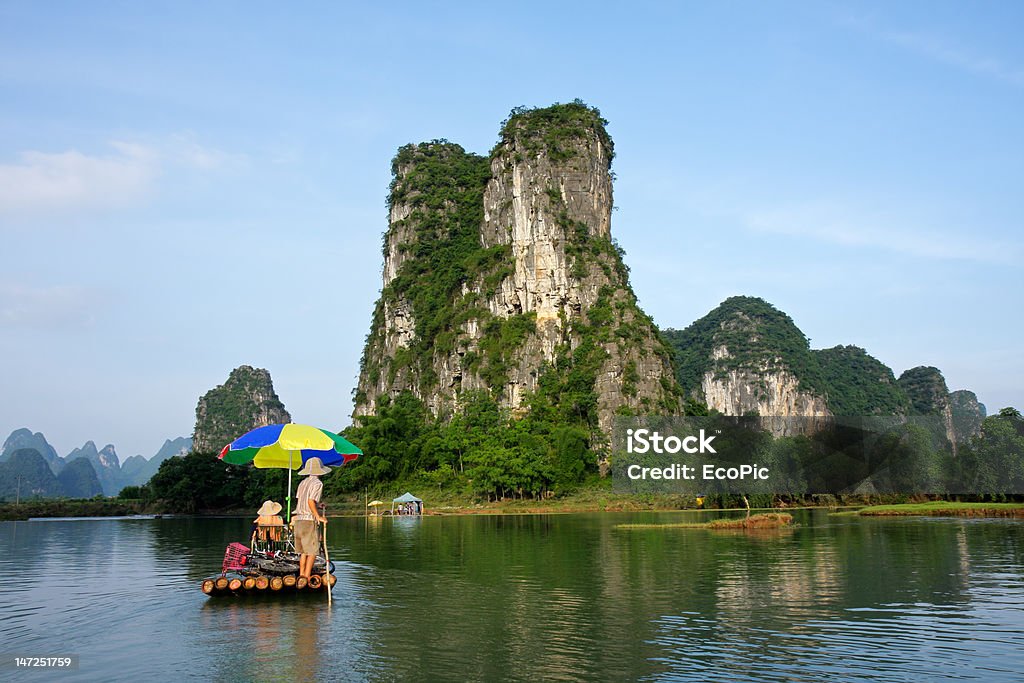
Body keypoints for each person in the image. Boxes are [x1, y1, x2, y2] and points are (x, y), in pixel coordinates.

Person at [293, 457, 330, 580]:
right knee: (312, 551)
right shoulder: (318, 483)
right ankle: (306, 577)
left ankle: (302, 574)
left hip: (298, 520)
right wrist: (318, 516)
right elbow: (309, 501)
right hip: (309, 520)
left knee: (303, 551)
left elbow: (303, 500)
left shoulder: (302, 483)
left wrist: (318, 505)